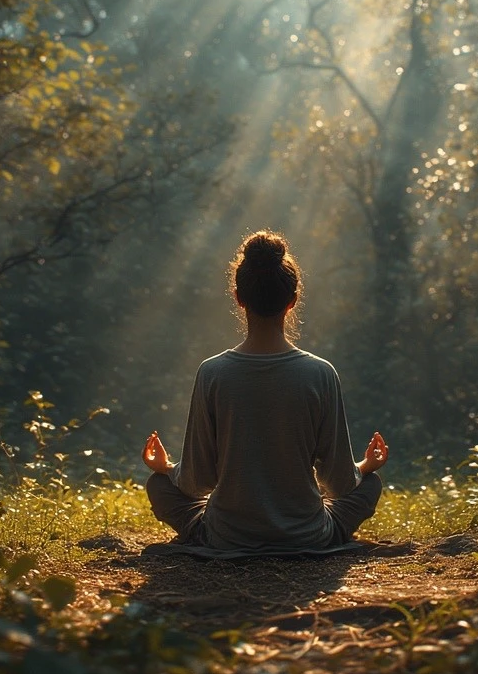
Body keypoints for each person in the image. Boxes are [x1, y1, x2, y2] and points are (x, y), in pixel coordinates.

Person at [142, 230, 389, 552]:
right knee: (370, 485)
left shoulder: (212, 372)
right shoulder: (321, 373)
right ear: (293, 300)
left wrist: (165, 468)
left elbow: (196, 482)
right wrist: (366, 467)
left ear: (238, 297)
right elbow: (340, 484)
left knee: (158, 485)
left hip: (227, 535)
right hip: (308, 535)